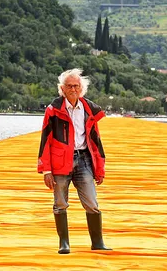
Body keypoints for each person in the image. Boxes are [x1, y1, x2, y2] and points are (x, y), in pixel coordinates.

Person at [37, 68, 112, 254]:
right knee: (60, 202)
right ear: (62, 88)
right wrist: (46, 169)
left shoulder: (89, 110)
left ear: (82, 88)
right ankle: (64, 243)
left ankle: (98, 242)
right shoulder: (53, 110)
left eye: (76, 86)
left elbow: (96, 141)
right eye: (69, 86)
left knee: (92, 203)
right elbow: (45, 140)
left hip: (84, 159)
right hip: (60, 162)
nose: (73, 89)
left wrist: (100, 169)